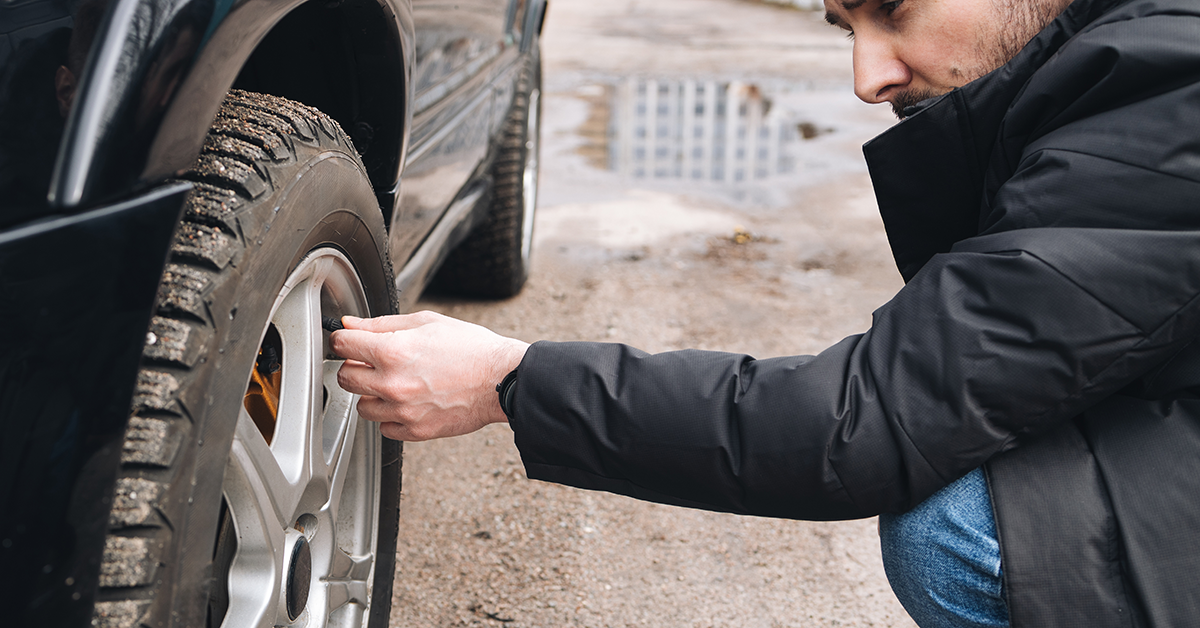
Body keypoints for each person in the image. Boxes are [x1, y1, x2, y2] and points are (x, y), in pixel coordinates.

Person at [330, 0, 1200, 625]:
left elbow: (863, 422)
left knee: (963, 526)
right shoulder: (1122, 64)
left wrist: (508, 382)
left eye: (892, 11)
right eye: (848, 28)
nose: (869, 77)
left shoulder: (1166, 98)